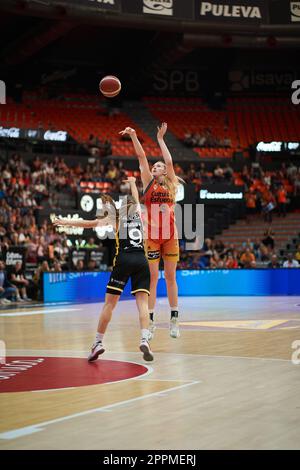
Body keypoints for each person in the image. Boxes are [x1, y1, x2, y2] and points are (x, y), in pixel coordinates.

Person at [53, 177, 153, 362]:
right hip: (141, 260)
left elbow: (88, 224)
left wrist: (66, 221)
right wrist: (132, 182)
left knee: (109, 304)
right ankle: (145, 338)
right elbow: (136, 197)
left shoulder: (115, 218)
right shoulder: (139, 215)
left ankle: (98, 342)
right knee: (143, 304)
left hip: (123, 259)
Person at [120, 123, 181, 339]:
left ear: (165, 170)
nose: (154, 167)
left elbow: (170, 161)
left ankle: (174, 318)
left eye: (158, 166)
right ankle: (152, 321)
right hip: (153, 238)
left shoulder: (172, 183)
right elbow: (141, 156)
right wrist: (134, 135)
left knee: (171, 277)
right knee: (153, 278)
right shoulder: (147, 183)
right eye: (153, 167)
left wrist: (161, 139)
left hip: (170, 236)